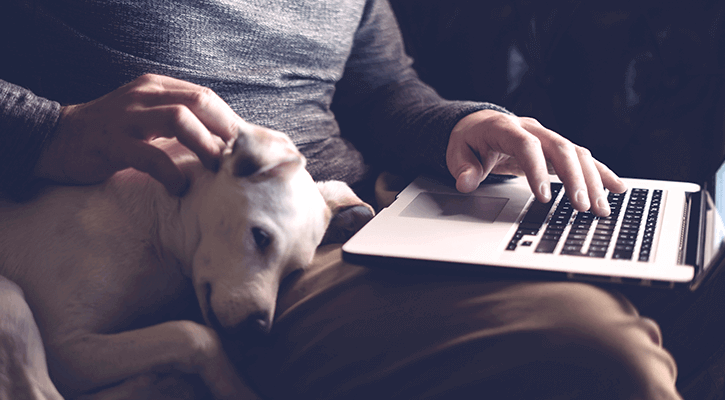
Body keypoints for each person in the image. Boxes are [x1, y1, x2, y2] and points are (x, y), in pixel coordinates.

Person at [0, 0, 692, 399]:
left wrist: (461, 125)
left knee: (660, 275)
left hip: (332, 230)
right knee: (597, 347)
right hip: (109, 239)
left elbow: (381, 91)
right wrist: (51, 130)